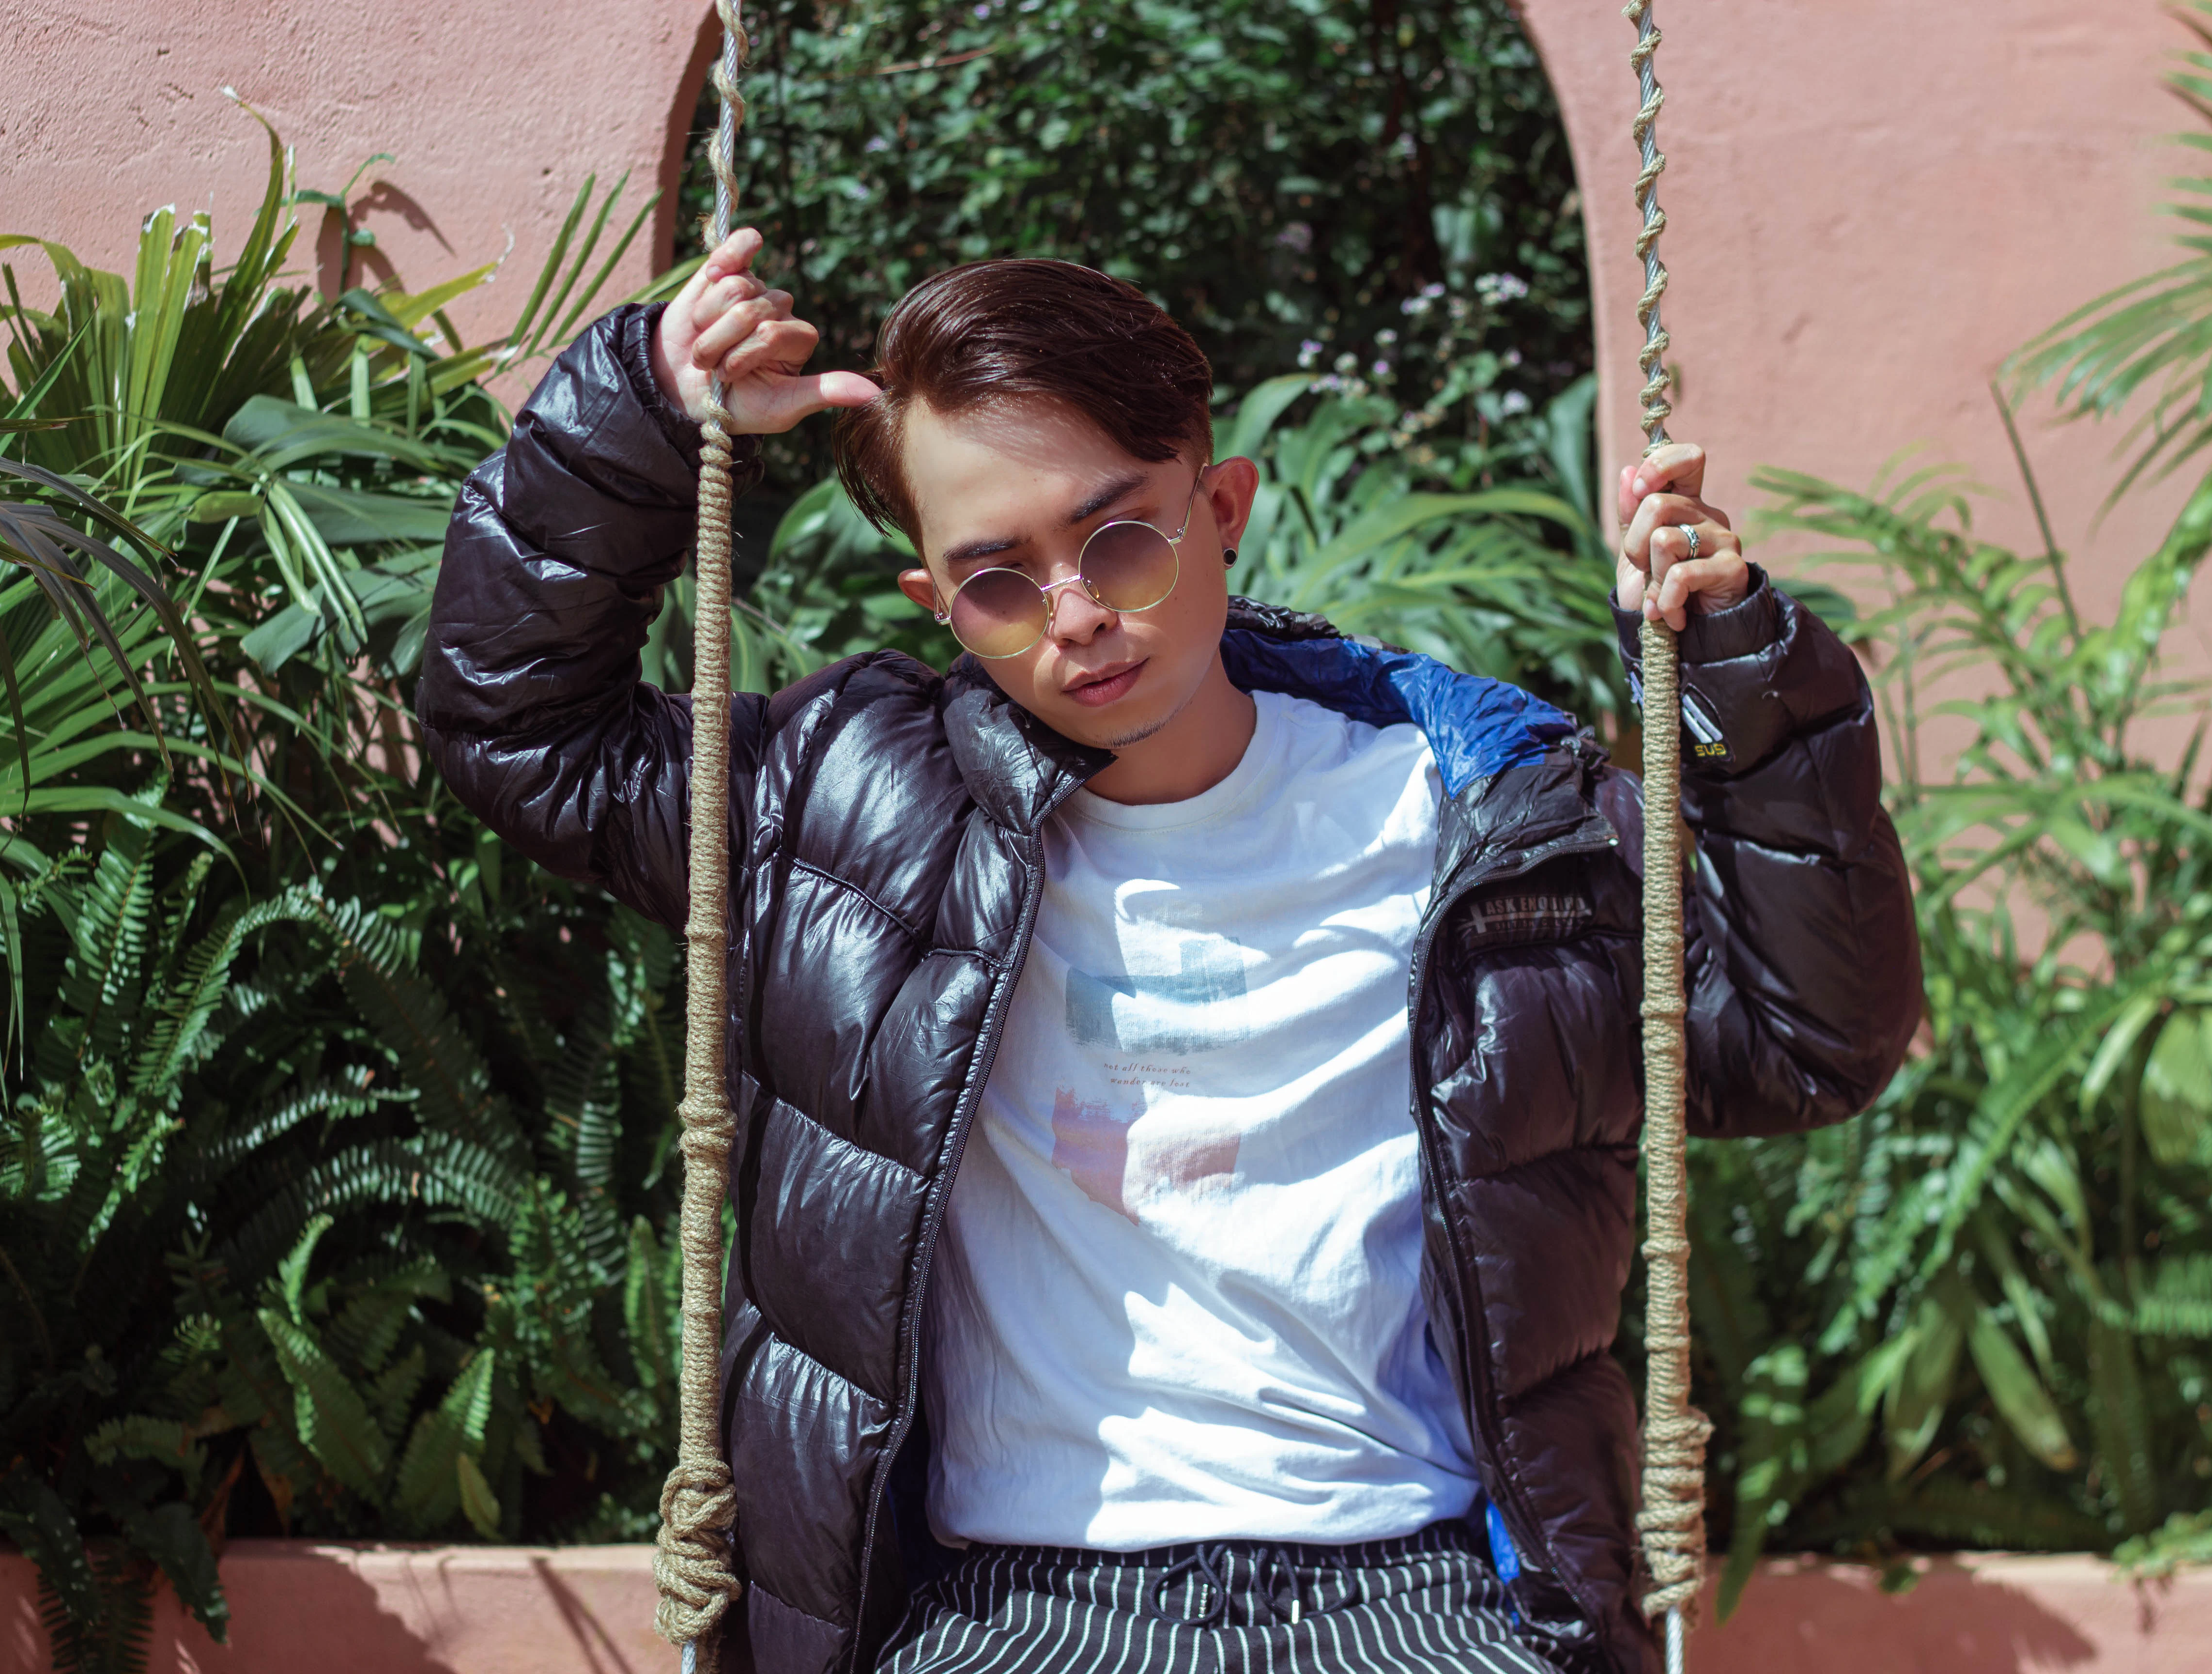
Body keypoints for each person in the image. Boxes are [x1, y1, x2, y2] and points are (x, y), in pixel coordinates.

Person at [419, 230, 1922, 1674]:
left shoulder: (1483, 817)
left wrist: (1736, 674)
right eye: (1003, 582)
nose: (1078, 617)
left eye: (1119, 535)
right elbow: (516, 724)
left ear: (1223, 509)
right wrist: (638, 414)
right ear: (939, 606)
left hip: (1408, 1593)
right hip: (1011, 1610)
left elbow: (1804, 1037)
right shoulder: (843, 811)